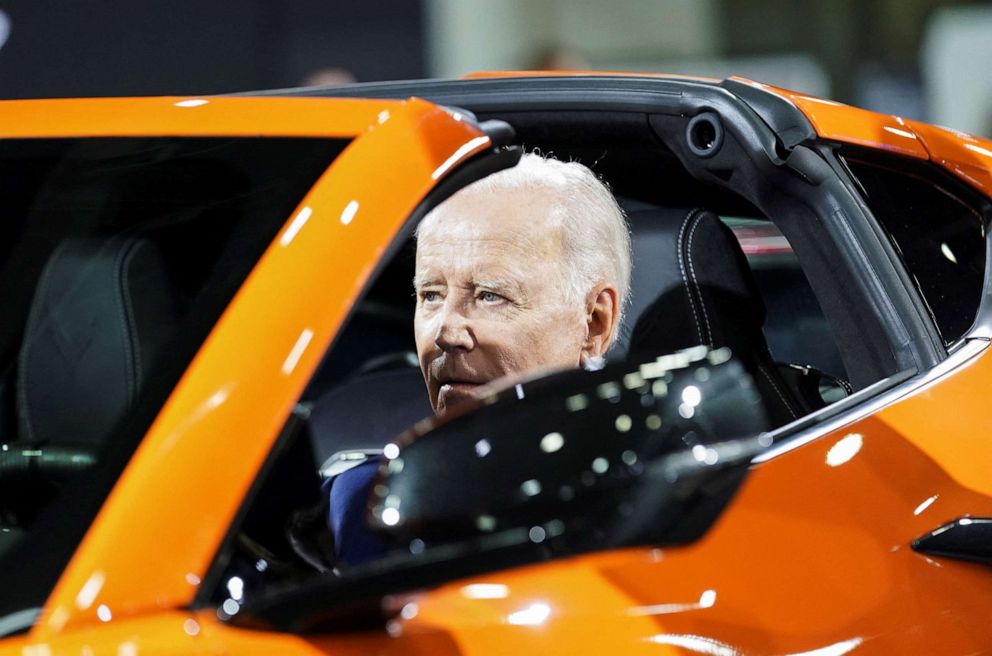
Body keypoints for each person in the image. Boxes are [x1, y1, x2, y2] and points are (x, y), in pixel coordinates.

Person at [327, 153, 633, 566]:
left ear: (594, 323)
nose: (445, 333)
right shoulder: (359, 506)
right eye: (431, 294)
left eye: (490, 295)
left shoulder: (666, 509)